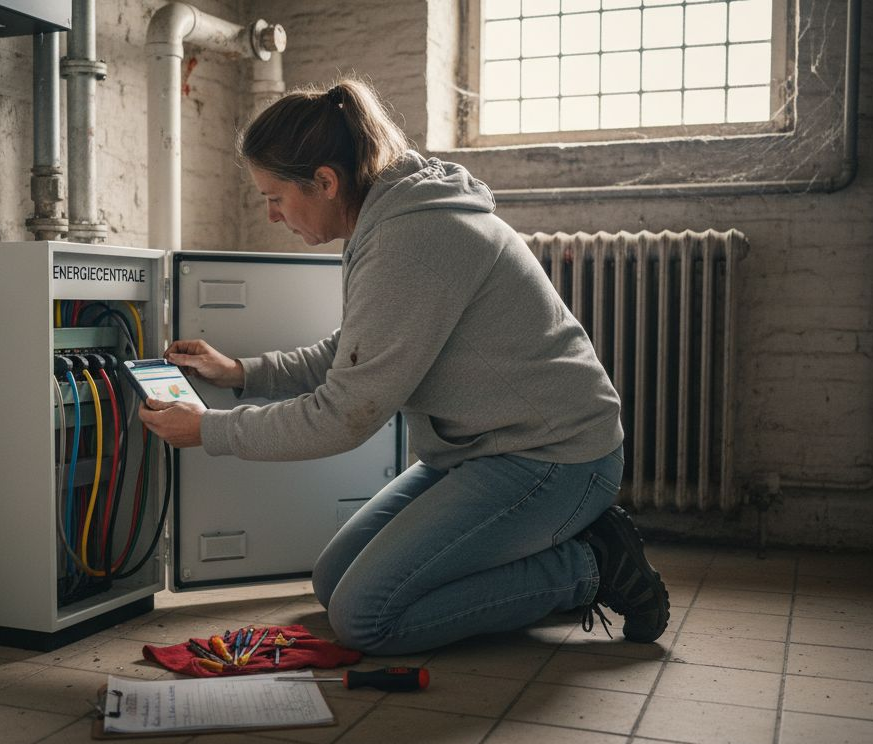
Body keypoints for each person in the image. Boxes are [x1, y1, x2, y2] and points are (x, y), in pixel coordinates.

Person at [137, 78, 669, 655]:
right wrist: (243, 372)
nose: (271, 215)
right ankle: (533, 553)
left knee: (368, 617)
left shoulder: (412, 237)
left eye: (274, 196)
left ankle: (590, 566)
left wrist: (207, 430)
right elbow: (360, 346)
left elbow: (343, 417)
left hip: (553, 457)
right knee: (333, 580)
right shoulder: (391, 217)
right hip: (479, 452)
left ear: (325, 181)